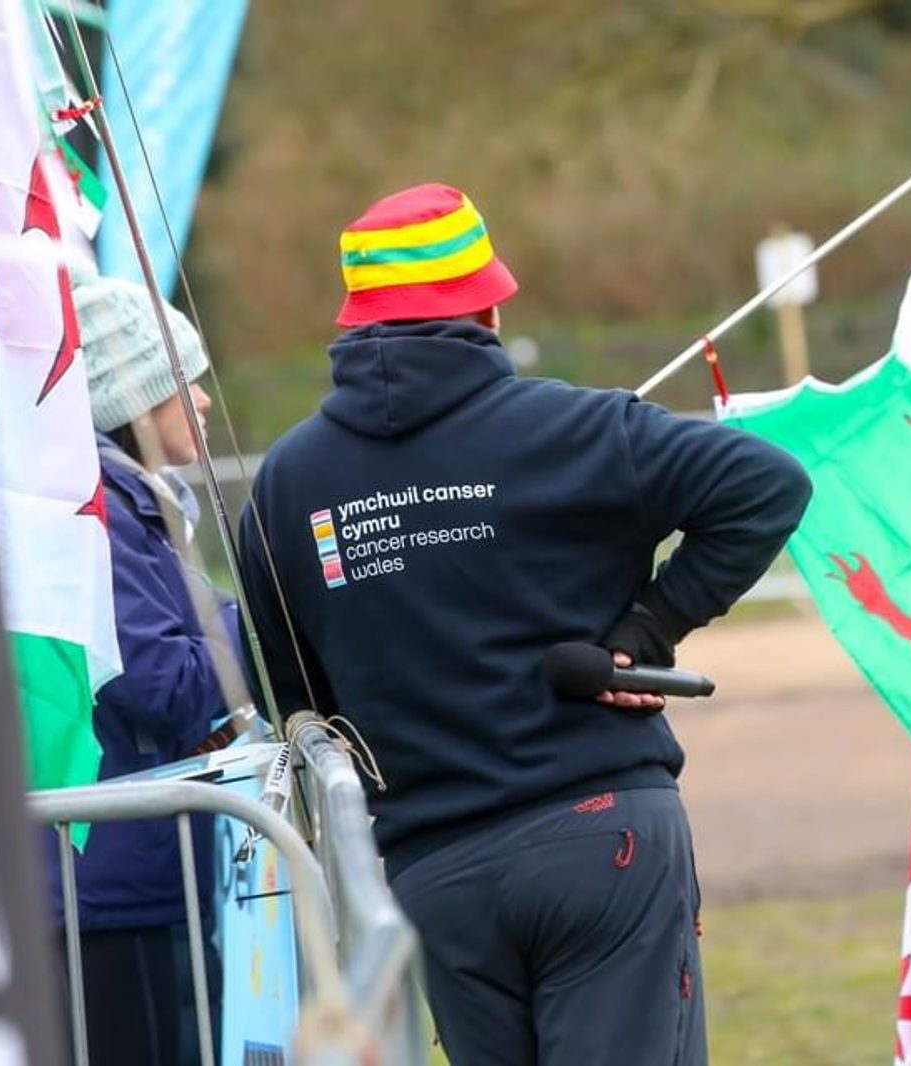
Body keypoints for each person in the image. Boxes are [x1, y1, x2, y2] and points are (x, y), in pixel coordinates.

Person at [236, 183, 812, 1065]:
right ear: (486, 308)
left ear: (356, 322)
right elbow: (769, 485)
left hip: (435, 879)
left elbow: (294, 693)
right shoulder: (577, 426)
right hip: (603, 836)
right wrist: (648, 630)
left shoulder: (284, 485)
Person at [44, 270, 235, 1066]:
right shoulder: (97, 515)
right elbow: (168, 686)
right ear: (132, 398)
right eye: (181, 382)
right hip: (117, 892)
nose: (203, 401)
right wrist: (251, 617)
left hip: (123, 879)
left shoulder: (123, 503)